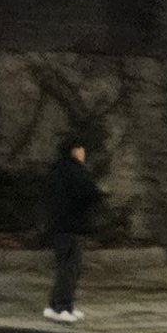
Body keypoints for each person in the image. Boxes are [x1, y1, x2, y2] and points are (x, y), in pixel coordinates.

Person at [42, 137, 102, 322]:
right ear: (74, 151)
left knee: (64, 268)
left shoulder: (57, 171)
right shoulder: (75, 172)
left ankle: (56, 305)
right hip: (72, 227)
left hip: (60, 227)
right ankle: (62, 308)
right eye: (81, 149)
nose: (83, 153)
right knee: (70, 269)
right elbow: (89, 192)